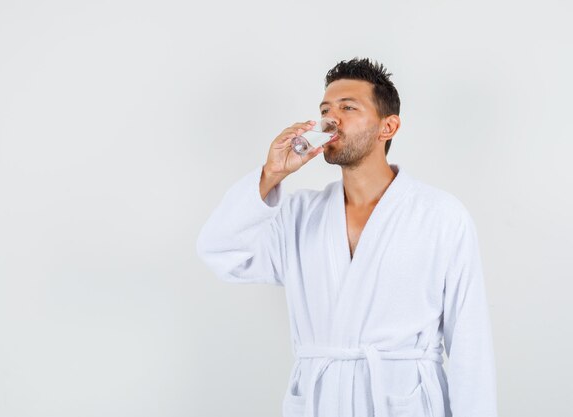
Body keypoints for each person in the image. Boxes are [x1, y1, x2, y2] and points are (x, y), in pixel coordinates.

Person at [196, 58, 497, 417]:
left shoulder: (440, 215)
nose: (331, 118)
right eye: (325, 109)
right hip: (320, 402)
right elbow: (220, 251)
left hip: (405, 402)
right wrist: (270, 176)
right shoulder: (299, 214)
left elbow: (470, 343)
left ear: (388, 126)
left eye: (348, 107)